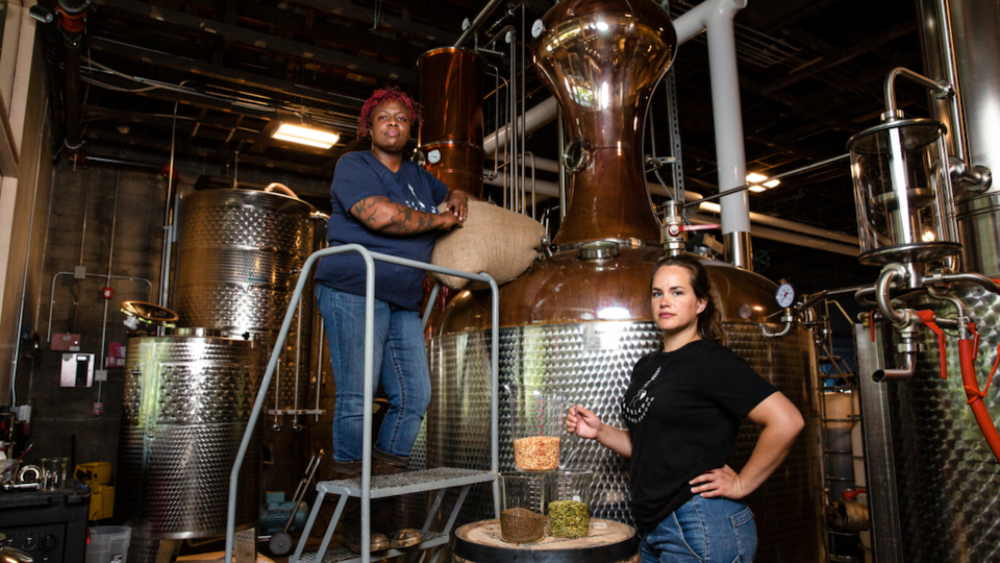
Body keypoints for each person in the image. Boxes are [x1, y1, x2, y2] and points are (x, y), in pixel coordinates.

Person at [566, 254, 804, 563]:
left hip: (701, 525)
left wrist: (742, 482)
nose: (665, 301)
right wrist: (600, 432)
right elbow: (652, 446)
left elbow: (787, 421)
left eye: (677, 292)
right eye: (657, 293)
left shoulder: (711, 361)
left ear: (701, 304)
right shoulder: (647, 366)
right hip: (655, 528)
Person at [314, 86, 468, 553]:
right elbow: (379, 217)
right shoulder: (354, 166)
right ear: (370, 126)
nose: (393, 123)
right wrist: (442, 222)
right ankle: (352, 522)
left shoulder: (422, 179)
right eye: (384, 117)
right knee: (358, 399)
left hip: (402, 297)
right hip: (353, 286)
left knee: (414, 397)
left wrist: (457, 192)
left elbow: (454, 196)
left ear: (410, 129)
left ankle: (383, 514)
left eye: (402, 118)